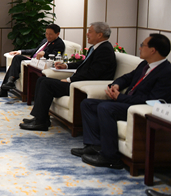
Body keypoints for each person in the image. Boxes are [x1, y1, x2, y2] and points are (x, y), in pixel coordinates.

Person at [73, 34, 171, 169]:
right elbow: (127, 77)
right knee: (88, 104)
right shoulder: (144, 64)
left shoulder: (166, 72)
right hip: (126, 103)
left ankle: (110, 157)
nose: (139, 48)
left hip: (137, 109)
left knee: (105, 108)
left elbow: (152, 100)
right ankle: (95, 145)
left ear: (153, 50)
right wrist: (116, 85)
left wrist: (120, 97)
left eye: (142, 45)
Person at [19, 22, 117, 131]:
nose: (87, 34)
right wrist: (66, 65)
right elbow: (83, 63)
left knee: (45, 83)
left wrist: (70, 79)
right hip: (78, 82)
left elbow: (93, 73)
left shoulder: (105, 50)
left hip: (82, 86)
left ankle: (40, 122)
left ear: (99, 35)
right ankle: (41, 118)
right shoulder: (95, 48)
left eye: (90, 32)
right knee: (42, 80)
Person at [0, 24, 65, 98]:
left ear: (57, 34)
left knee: (17, 59)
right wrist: (20, 51)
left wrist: (45, 53)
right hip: (33, 60)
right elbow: (35, 50)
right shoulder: (45, 40)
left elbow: (55, 55)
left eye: (50, 34)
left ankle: (6, 86)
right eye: (46, 33)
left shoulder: (59, 44)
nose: (48, 36)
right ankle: (9, 83)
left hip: (40, 64)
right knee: (16, 60)